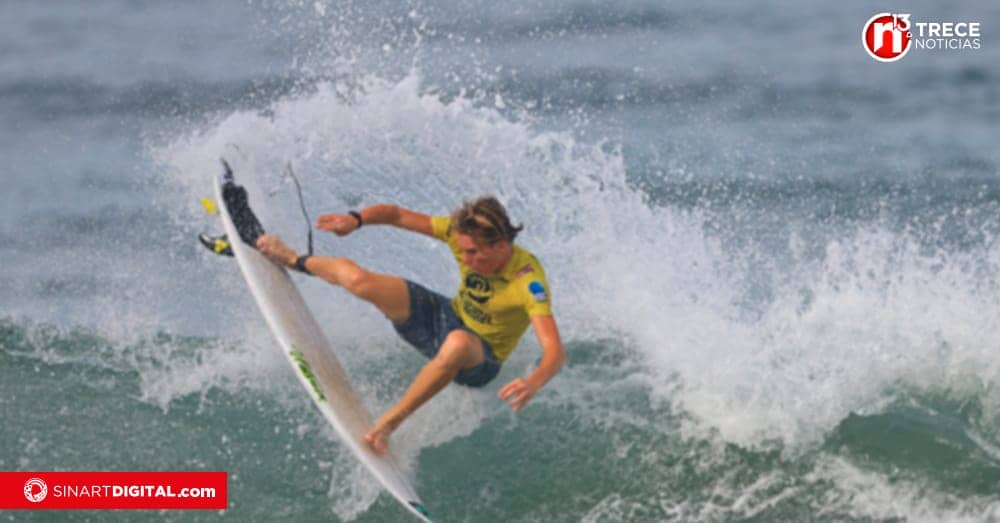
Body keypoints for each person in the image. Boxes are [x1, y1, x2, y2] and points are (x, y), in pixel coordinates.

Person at [253, 196, 566, 455]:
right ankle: (294, 259)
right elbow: (397, 215)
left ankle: (388, 424)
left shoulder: (528, 281)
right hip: (444, 316)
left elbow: (554, 351)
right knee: (359, 279)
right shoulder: (461, 236)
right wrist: (355, 219)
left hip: (478, 359)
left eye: (473, 253)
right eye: (463, 250)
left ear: (500, 246)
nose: (465, 257)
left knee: (457, 342)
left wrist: (533, 382)